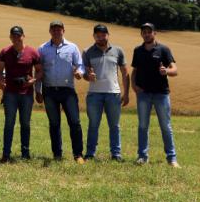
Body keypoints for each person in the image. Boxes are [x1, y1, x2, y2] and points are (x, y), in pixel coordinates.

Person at [131, 23, 180, 167]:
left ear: (154, 33)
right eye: (144, 32)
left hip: (161, 94)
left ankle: (172, 159)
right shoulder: (138, 50)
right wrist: (134, 86)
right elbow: (134, 70)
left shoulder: (163, 49)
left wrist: (167, 71)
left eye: (149, 32)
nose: (146, 34)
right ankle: (142, 156)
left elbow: (175, 70)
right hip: (143, 94)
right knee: (142, 126)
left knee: (165, 126)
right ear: (141, 34)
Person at [38, 20, 86, 163]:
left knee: (75, 122)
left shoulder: (72, 47)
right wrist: (38, 90)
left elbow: (80, 65)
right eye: (53, 29)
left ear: (63, 30)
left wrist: (80, 73)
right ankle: (57, 154)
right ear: (50, 31)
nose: (56, 31)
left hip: (68, 91)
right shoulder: (42, 48)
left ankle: (78, 155)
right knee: (54, 124)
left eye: (59, 29)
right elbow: (39, 70)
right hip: (49, 91)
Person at [82, 24, 130, 162]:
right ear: (94, 36)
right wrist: (87, 76)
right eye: (98, 35)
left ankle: (116, 154)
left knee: (114, 125)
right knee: (93, 125)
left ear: (108, 35)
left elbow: (125, 72)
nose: (101, 37)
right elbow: (85, 73)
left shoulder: (118, 51)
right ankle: (90, 153)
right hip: (94, 94)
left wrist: (126, 94)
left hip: (113, 94)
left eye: (103, 35)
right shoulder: (87, 52)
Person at [0, 26, 42, 162]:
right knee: (9, 123)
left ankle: (25, 154)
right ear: (10, 37)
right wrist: (1, 81)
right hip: (10, 93)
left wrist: (33, 80)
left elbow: (40, 71)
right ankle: (6, 154)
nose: (16, 38)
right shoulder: (5, 52)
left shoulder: (32, 52)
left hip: (26, 93)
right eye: (13, 36)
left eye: (18, 35)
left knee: (25, 123)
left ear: (23, 36)